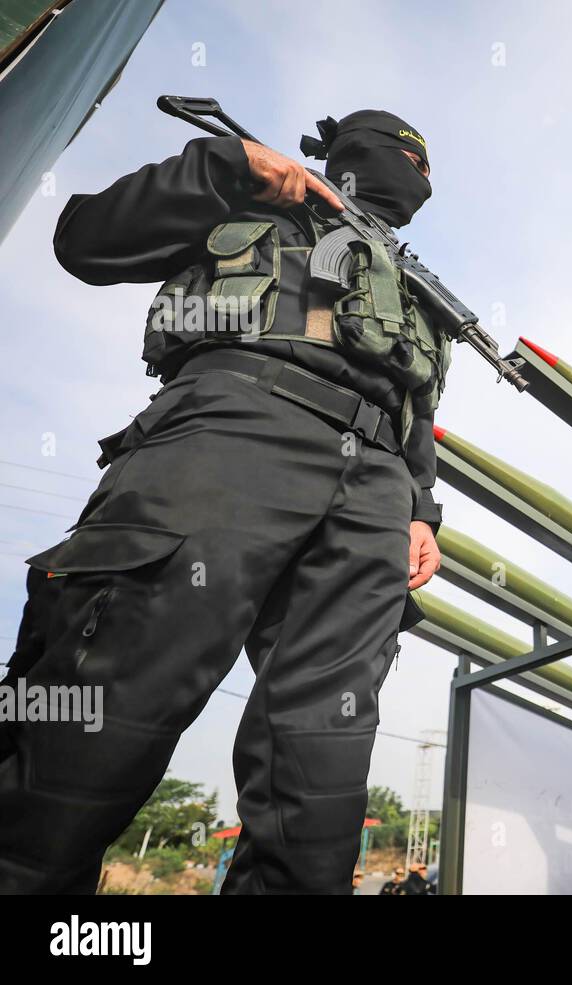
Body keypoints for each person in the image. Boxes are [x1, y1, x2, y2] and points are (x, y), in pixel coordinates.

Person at [0, 109, 449, 895]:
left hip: (375, 484)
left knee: (321, 768)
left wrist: (421, 510)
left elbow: (414, 405)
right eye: (403, 156)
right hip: (235, 422)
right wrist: (224, 166)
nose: (419, 176)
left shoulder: (411, 282)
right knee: (102, 712)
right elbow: (86, 238)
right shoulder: (261, 195)